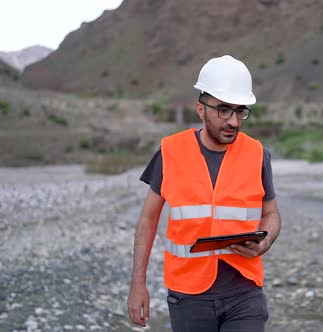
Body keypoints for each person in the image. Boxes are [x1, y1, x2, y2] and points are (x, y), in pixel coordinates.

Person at [127, 55, 281, 332]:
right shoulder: (170, 152)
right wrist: (138, 286)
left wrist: (266, 240)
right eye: (223, 110)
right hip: (188, 297)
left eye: (240, 111)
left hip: (244, 293)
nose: (233, 121)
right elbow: (148, 220)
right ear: (201, 109)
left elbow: (271, 214)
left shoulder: (258, 154)